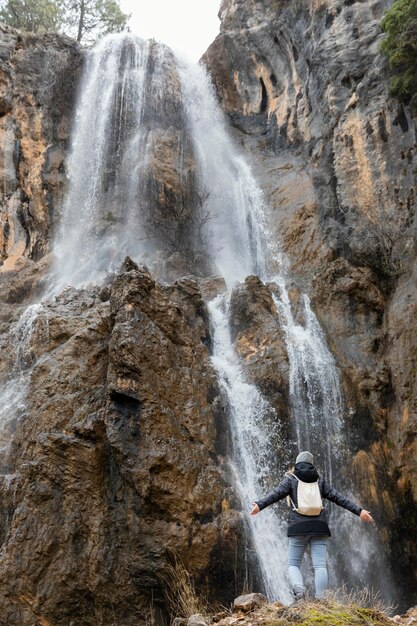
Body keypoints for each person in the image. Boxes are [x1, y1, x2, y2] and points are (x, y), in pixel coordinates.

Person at [250, 451, 373, 601]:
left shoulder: (291, 479)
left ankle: (299, 593)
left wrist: (259, 505)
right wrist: (359, 511)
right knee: (320, 566)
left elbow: (275, 494)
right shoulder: (319, 481)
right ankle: (321, 599)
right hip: (319, 526)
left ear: (297, 464)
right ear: (312, 464)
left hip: (298, 526)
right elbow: (339, 498)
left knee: (293, 564)